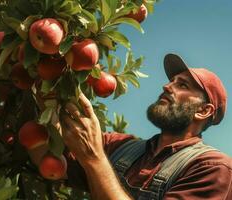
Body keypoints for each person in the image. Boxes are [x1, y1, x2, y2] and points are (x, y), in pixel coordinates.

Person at [59, 53, 232, 200]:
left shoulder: (212, 168)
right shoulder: (118, 146)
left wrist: (93, 159)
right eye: (172, 81)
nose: (167, 86)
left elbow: (92, 153)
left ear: (203, 111)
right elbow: (51, 157)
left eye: (182, 85)